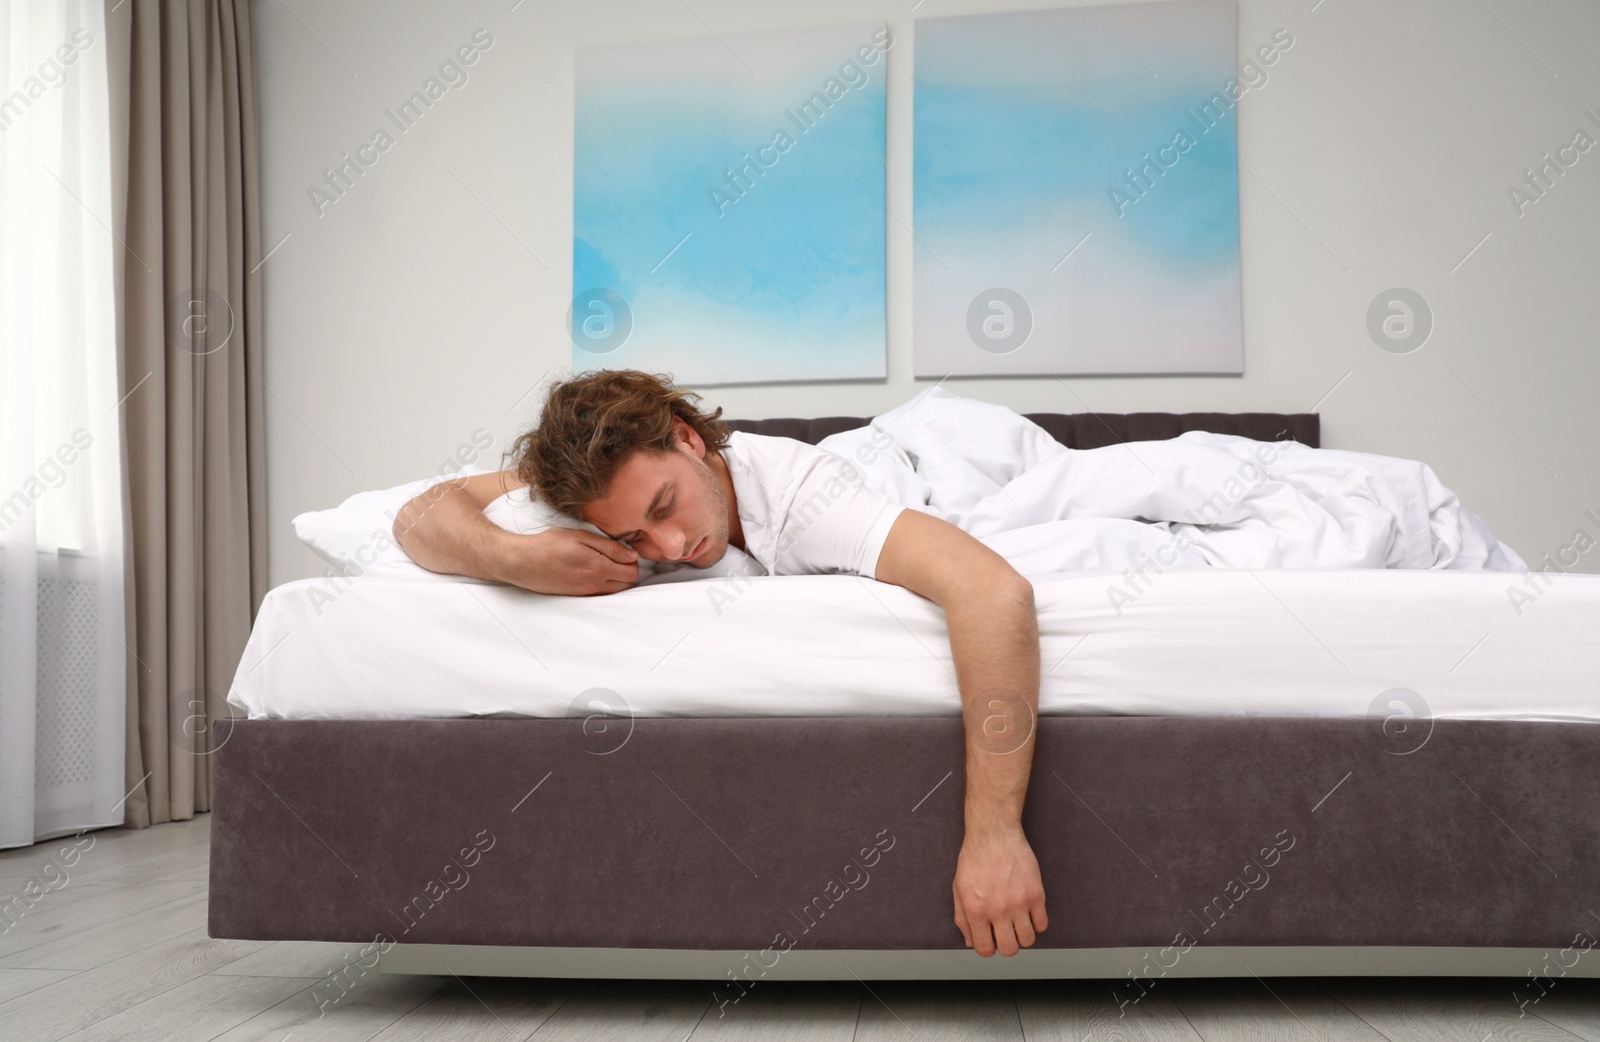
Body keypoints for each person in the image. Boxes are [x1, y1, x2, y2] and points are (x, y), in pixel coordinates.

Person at [393, 369, 1048, 959]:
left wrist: (995, 836)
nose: (671, 546)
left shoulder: (807, 503)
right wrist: (512, 558)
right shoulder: (603, 492)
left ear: (687, 438)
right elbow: (418, 511)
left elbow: (993, 592)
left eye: (663, 507)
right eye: (634, 538)